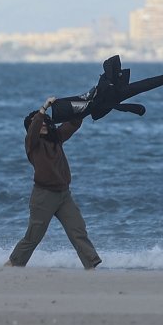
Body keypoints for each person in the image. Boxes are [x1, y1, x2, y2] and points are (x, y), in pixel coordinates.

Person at [6, 96, 102, 270]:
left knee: (78, 230)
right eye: (38, 122)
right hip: (43, 196)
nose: (42, 124)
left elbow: (73, 123)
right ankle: (13, 264)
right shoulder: (32, 144)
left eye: (45, 122)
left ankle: (91, 266)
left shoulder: (56, 138)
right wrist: (44, 108)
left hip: (64, 195)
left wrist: (84, 107)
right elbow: (34, 128)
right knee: (33, 237)